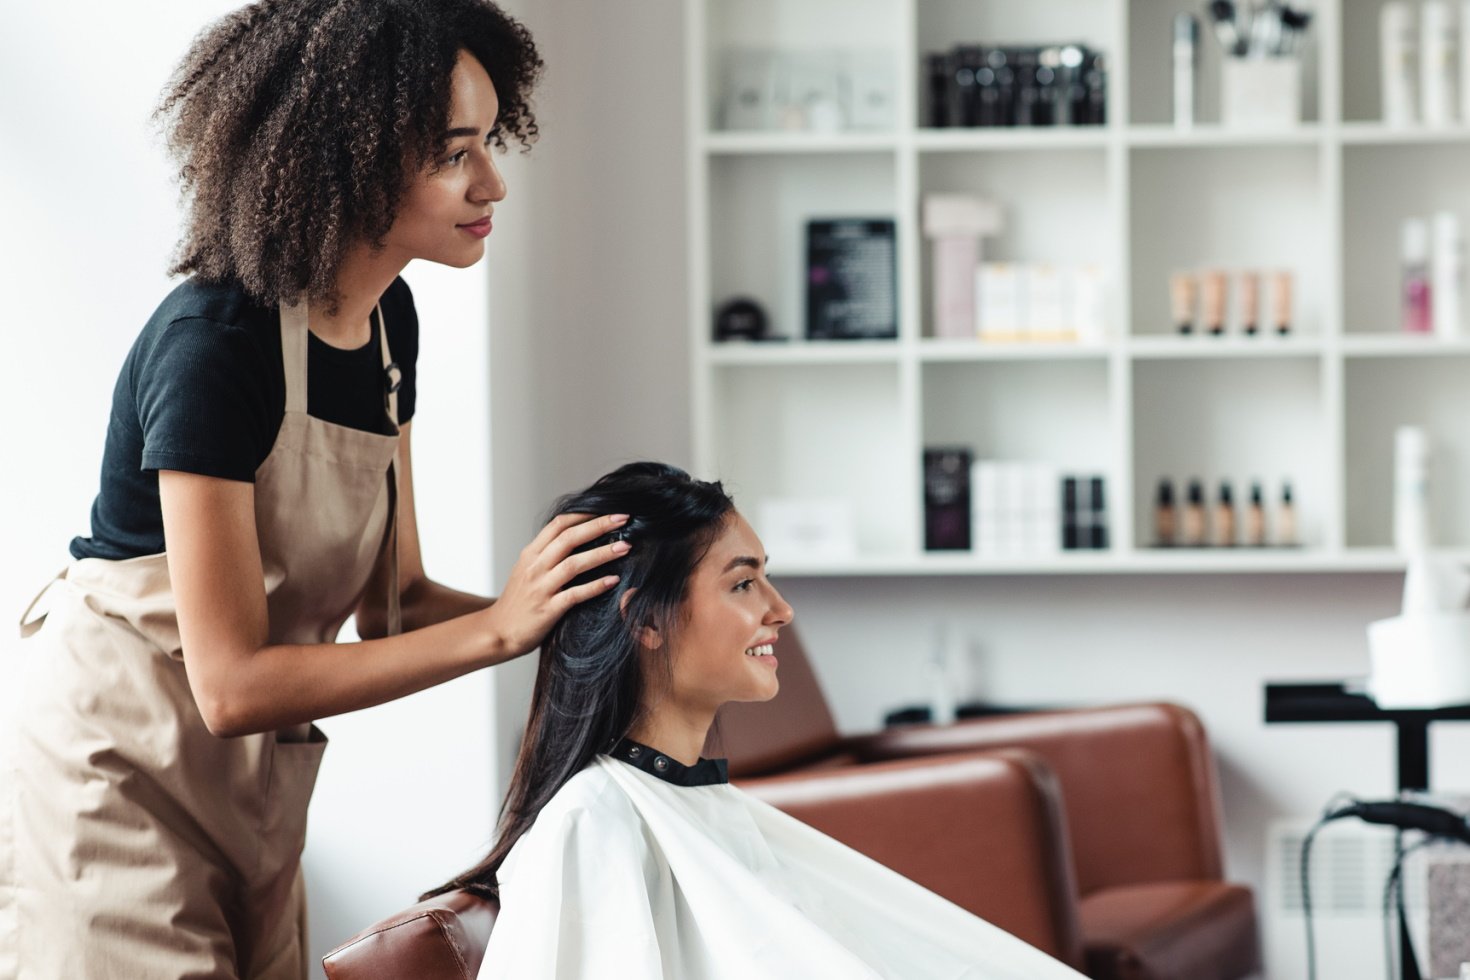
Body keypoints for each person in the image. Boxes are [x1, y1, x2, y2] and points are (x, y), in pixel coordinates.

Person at [0, 3, 627, 977]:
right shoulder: (216, 347)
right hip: (112, 777)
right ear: (354, 156)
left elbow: (398, 604)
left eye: (489, 142)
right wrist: (504, 626)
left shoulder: (386, 327)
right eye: (456, 152)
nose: (492, 181)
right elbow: (231, 681)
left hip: (250, 792)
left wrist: (583, 618)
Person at [428, 462, 1085, 979]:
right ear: (646, 620)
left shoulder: (694, 802)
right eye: (743, 584)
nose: (781, 610)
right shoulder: (589, 823)